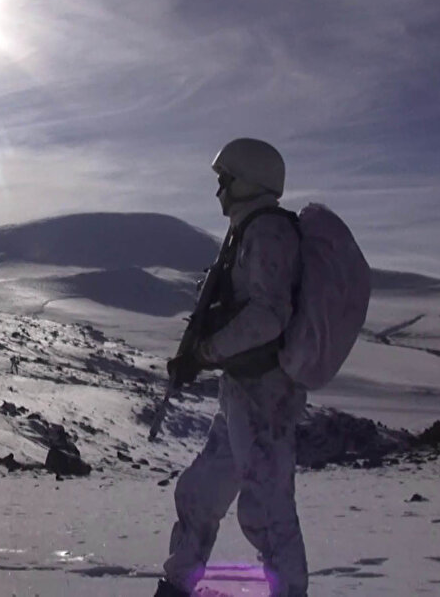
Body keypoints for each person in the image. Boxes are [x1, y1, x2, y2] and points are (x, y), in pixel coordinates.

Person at [156, 138, 307, 597]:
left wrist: (205, 353)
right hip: (243, 390)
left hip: (266, 394)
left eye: (225, 180)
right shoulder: (247, 232)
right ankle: (179, 583)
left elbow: (268, 316)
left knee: (267, 511)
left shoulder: (268, 233)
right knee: (200, 492)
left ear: (248, 181)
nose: (219, 191)